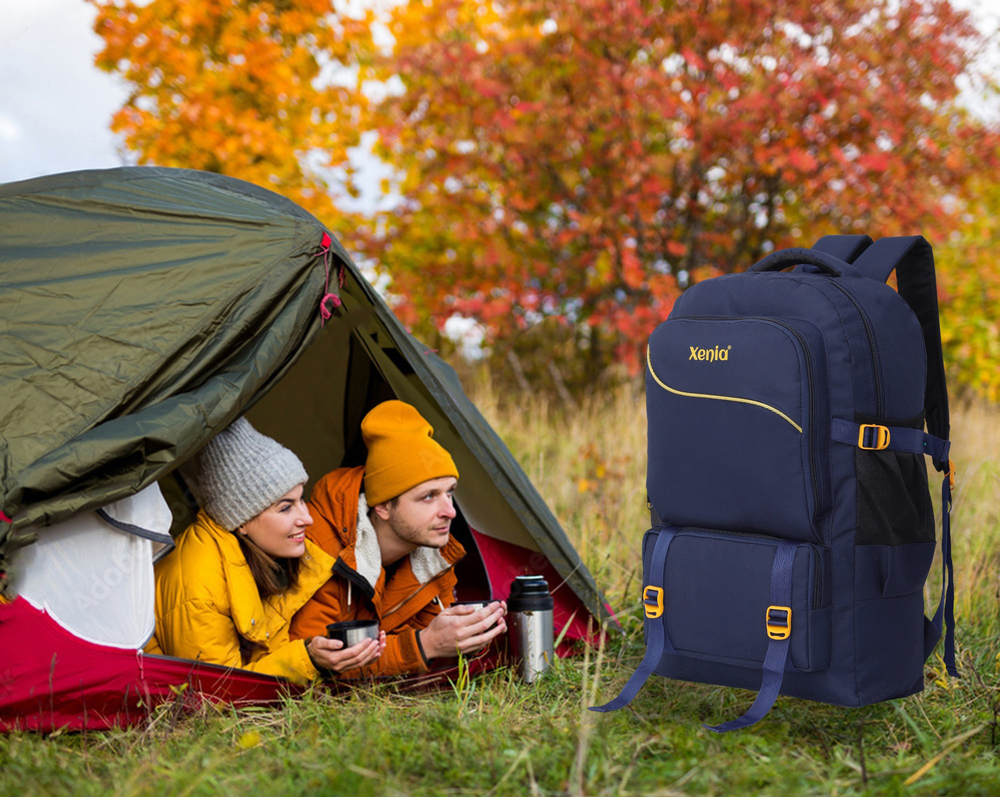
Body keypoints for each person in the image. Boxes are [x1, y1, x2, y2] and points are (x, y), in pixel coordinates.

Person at [147, 418, 386, 684]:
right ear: (242, 521)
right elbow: (215, 692)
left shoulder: (261, 555)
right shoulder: (199, 585)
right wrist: (308, 660)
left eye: (301, 499)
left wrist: (324, 657)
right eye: (286, 507)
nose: (306, 518)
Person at [290, 400, 507, 677]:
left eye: (449, 492)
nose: (450, 511)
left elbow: (431, 645)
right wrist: (424, 645)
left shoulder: (432, 554)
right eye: (428, 496)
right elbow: (316, 667)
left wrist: (469, 636)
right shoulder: (322, 549)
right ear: (382, 507)